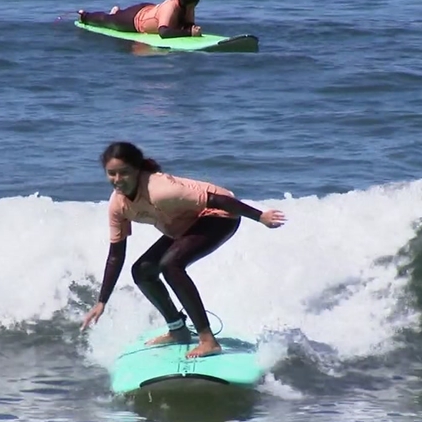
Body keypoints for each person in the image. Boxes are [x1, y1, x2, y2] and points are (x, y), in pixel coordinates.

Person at [80, 142, 287, 358]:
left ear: (137, 170)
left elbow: (219, 200)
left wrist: (259, 216)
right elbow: (116, 254)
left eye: (124, 173)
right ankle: (177, 330)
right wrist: (101, 301)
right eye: (111, 174)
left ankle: (208, 340)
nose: (117, 179)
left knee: (171, 265)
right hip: (185, 222)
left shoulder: (161, 190)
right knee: (142, 270)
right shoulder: (118, 205)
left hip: (219, 216)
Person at [77, 0, 203, 39]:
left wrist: (190, 28)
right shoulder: (171, 7)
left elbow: (188, 24)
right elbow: (163, 32)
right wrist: (188, 33)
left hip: (150, 9)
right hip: (134, 20)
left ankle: (118, 12)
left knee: (116, 16)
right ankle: (85, 16)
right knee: (108, 20)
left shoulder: (187, 5)